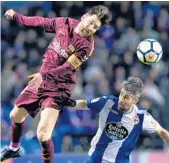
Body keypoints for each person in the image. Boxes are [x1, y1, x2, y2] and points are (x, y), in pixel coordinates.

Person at [1, 5, 112, 163]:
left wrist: (43, 75)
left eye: (96, 27)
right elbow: (40, 21)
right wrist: (16, 17)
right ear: (85, 16)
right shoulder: (64, 23)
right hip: (41, 79)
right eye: (92, 22)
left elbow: (67, 68)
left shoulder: (87, 46)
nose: (91, 28)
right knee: (15, 115)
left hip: (59, 88)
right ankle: (14, 149)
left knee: (43, 134)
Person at [68, 77, 169, 163]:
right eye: (121, 94)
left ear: (135, 100)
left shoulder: (142, 116)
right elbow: (85, 104)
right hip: (96, 158)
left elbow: (161, 131)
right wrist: (70, 103)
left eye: (126, 97)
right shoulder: (108, 102)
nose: (121, 99)